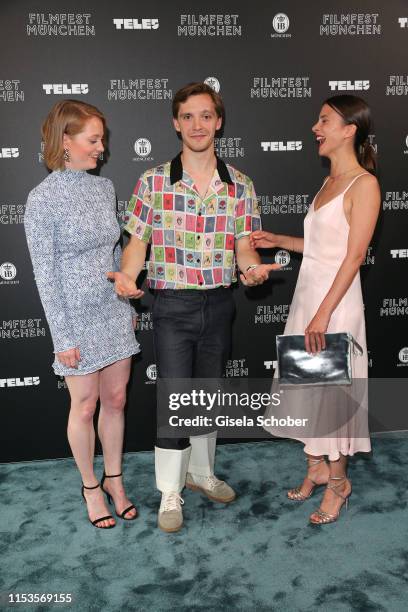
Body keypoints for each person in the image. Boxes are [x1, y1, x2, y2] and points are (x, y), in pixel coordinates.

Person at [108, 82, 280, 532]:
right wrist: (129, 276)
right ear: (175, 123)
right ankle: (170, 490)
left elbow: (245, 248)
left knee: (207, 394)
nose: (197, 124)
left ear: (218, 121)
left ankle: (201, 473)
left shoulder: (239, 185)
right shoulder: (152, 181)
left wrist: (252, 269)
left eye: (206, 115)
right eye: (188, 116)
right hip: (172, 306)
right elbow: (136, 244)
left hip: (220, 304)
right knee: (175, 396)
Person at [251, 95, 380, 525]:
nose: (315, 127)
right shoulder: (328, 183)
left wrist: (323, 314)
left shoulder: (364, 184)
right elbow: (324, 248)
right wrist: (281, 241)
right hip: (310, 297)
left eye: (324, 120)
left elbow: (354, 256)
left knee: (334, 398)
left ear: (350, 129)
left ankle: (340, 485)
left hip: (336, 306)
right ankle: (317, 469)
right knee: (309, 393)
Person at [24, 100, 140, 529]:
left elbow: (114, 252)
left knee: (116, 399)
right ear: (65, 142)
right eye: (93, 140)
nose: (101, 148)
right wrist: (63, 337)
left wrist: (125, 302)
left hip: (110, 309)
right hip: (73, 317)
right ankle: (91, 486)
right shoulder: (42, 200)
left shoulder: (104, 188)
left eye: (102, 139)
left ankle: (115, 480)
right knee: (85, 405)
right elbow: (44, 274)